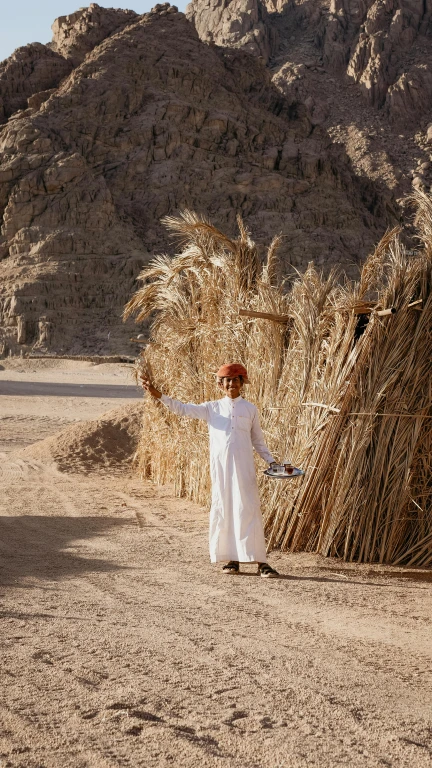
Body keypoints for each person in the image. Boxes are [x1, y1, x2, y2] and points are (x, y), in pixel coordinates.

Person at [140, 363, 279, 578]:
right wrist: (158, 394)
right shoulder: (211, 408)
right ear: (220, 384)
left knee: (248, 510)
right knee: (224, 510)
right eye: (227, 380)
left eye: (235, 380)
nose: (231, 384)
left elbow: (258, 441)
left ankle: (261, 562)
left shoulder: (250, 409)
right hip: (221, 470)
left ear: (242, 383)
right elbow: (182, 408)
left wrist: (271, 461)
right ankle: (232, 560)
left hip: (244, 470)